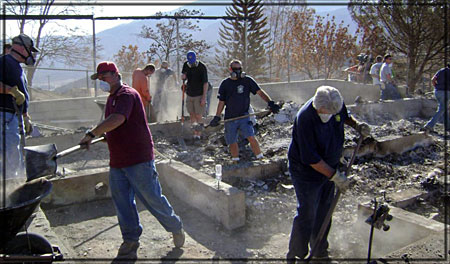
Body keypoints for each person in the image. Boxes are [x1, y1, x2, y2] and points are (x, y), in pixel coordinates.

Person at [82, 61, 185, 259]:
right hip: (118, 161)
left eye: (103, 77)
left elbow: (118, 119)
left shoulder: (126, 95)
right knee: (122, 203)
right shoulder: (112, 98)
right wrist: (104, 137)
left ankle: (175, 226)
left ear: (114, 75)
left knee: (152, 198)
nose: (101, 82)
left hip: (138, 159)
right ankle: (130, 239)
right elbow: (116, 127)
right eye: (99, 79)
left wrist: (92, 133)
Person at [286, 86, 370, 264]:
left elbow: (345, 117)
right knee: (307, 211)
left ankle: (319, 250)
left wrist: (357, 126)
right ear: (317, 107)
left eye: (333, 113)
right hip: (306, 171)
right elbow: (312, 159)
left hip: (330, 165)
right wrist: (336, 177)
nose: (329, 116)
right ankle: (297, 255)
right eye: (325, 113)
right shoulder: (305, 119)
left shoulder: (335, 104)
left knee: (325, 210)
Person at [208, 59, 281, 162]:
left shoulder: (247, 80)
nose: (237, 71)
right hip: (230, 118)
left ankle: (260, 158)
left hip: (244, 116)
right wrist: (217, 116)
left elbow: (259, 92)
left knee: (251, 137)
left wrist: (270, 103)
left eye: (239, 69)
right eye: (235, 69)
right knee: (232, 141)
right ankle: (235, 160)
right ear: (230, 69)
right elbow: (222, 102)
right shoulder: (225, 84)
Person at [0, 34, 38, 180]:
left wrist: (25, 116)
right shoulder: (5, 62)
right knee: (10, 157)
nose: (31, 53)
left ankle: (15, 185)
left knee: (15, 155)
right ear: (21, 47)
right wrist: (11, 90)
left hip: (13, 118)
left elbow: (21, 97)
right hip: (4, 117)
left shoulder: (17, 67)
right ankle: (10, 190)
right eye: (29, 49)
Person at [181, 51, 208, 139]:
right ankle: (194, 133)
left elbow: (205, 83)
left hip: (199, 94)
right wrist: (183, 77)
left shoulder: (202, 67)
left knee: (198, 115)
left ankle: (199, 134)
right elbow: (184, 74)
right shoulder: (186, 65)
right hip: (189, 93)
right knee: (192, 114)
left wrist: (204, 97)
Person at [424, 64, 450, 132]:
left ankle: (448, 126)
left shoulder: (441, 70)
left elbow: (433, 79)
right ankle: (429, 125)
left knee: (444, 108)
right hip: (446, 92)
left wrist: (436, 87)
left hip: (437, 92)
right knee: (441, 109)